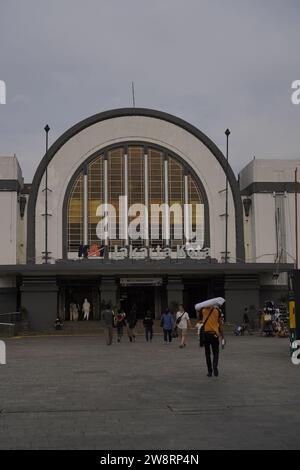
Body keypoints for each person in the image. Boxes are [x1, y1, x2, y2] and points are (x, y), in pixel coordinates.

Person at [198, 304, 224, 377]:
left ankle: (209, 371)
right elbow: (220, 324)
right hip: (214, 334)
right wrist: (223, 336)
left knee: (207, 353)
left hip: (206, 334)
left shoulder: (203, 310)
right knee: (215, 352)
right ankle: (215, 366)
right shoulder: (217, 311)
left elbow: (199, 319)